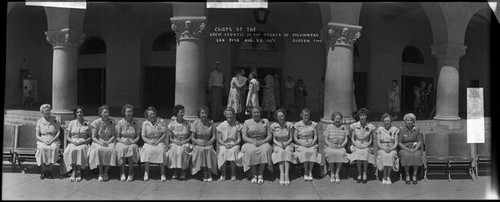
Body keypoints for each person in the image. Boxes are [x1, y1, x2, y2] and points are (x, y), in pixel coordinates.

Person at [241, 106, 273, 184]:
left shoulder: (265, 121)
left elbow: (269, 136)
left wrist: (263, 142)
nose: (256, 114)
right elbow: (244, 137)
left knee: (265, 150)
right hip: (250, 141)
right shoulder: (247, 122)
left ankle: (261, 174)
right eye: (254, 112)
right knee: (251, 151)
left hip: (263, 141)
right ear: (251, 114)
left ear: (260, 113)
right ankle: (254, 174)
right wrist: (253, 142)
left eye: (258, 112)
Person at [89, 105, 117, 182]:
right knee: (99, 150)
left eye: (108, 112)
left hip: (109, 141)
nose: (107, 114)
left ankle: (106, 172)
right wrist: (100, 143)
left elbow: (114, 135)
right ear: (100, 113)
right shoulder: (96, 122)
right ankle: (100, 172)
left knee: (111, 149)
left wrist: (108, 142)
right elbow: (94, 137)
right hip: (98, 141)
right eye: (105, 112)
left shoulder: (112, 121)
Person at [347, 108, 376, 184]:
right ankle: (359, 173)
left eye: (364, 115)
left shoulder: (370, 126)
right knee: (359, 154)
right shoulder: (354, 125)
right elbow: (352, 138)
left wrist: (366, 145)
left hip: (366, 144)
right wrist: (357, 145)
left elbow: (370, 140)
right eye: (360, 115)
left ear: (366, 116)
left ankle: (365, 173)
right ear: (359, 116)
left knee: (365, 153)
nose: (362, 117)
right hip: (357, 144)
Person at [63, 106, 91, 182]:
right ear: (75, 114)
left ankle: (79, 171)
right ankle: (74, 170)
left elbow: (90, 137)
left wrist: (83, 142)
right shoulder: (72, 123)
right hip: (73, 141)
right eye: (77, 112)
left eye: (81, 112)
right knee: (71, 150)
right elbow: (68, 137)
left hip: (83, 142)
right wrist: (72, 142)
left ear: (83, 113)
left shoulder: (87, 123)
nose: (79, 113)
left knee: (80, 150)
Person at [293, 108, 322, 181]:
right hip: (301, 143)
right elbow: (295, 138)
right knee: (305, 152)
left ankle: (310, 171)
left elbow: (315, 136)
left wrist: (312, 143)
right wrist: (302, 144)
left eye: (308, 115)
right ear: (302, 116)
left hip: (311, 142)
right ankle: (306, 171)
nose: (307, 117)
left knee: (312, 152)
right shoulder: (297, 125)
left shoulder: (313, 124)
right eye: (305, 115)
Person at [140, 107, 168, 181]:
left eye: (153, 114)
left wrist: (158, 141)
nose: (152, 116)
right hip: (149, 142)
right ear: (147, 116)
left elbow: (164, 134)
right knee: (146, 151)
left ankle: (163, 173)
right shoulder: (145, 124)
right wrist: (149, 142)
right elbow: (143, 136)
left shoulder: (161, 121)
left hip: (159, 141)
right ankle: (146, 172)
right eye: (150, 115)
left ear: (155, 114)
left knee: (161, 151)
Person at [190, 106, 218, 182]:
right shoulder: (195, 123)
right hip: (198, 143)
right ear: (199, 114)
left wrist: (209, 143)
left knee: (208, 150)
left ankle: (209, 171)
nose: (204, 114)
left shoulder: (211, 123)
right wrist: (198, 143)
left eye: (205, 113)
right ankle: (205, 172)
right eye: (202, 113)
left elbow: (214, 136)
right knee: (201, 150)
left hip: (208, 142)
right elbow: (192, 137)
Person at [115, 104, 141, 182]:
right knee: (122, 148)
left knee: (131, 148)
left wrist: (133, 142)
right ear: (124, 113)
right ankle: (122, 172)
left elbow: (138, 136)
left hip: (132, 141)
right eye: (127, 112)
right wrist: (123, 141)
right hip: (122, 141)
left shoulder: (136, 122)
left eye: (131, 111)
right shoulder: (120, 122)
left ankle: (130, 172)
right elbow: (117, 137)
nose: (129, 113)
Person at [35, 104, 61, 179]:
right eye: (46, 111)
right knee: (42, 149)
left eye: (49, 110)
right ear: (42, 112)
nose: (48, 112)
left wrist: (52, 140)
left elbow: (58, 132)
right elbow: (37, 135)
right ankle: (43, 171)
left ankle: (50, 170)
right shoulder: (39, 121)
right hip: (42, 139)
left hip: (53, 139)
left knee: (53, 148)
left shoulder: (55, 119)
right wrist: (43, 141)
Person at [216, 107, 242, 181]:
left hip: (234, 144)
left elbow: (239, 139)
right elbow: (219, 139)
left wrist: (233, 145)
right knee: (223, 152)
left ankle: (233, 173)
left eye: (231, 114)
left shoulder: (237, 125)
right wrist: (224, 144)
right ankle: (223, 173)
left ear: (234, 115)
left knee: (233, 152)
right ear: (225, 115)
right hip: (224, 144)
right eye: (228, 114)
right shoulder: (222, 125)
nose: (229, 116)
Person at [270, 108, 295, 186]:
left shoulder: (289, 125)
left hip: (288, 143)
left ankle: (286, 175)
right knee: (281, 152)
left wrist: (285, 144)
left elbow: (291, 138)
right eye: (279, 116)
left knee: (287, 151)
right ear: (276, 118)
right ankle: (282, 174)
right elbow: (274, 139)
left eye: (282, 116)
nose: (281, 118)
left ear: (285, 116)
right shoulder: (273, 126)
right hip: (277, 144)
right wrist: (279, 144)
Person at [167, 105, 192, 180]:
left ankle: (183, 171)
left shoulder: (187, 124)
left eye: (183, 112)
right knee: (174, 150)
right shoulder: (172, 124)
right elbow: (170, 138)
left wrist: (185, 141)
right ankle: (175, 170)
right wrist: (175, 142)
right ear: (177, 113)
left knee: (182, 151)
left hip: (185, 142)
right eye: (181, 112)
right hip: (175, 142)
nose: (182, 113)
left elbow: (191, 136)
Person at [323, 112, 349, 183]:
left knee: (341, 153)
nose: (338, 120)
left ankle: (337, 173)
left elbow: (346, 139)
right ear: (333, 119)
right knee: (331, 153)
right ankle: (332, 173)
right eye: (336, 118)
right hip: (330, 146)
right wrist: (331, 145)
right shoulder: (329, 127)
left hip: (340, 146)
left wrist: (342, 145)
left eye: (339, 119)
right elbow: (325, 139)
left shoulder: (343, 127)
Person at [398, 113, 423, 185]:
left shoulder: (417, 129)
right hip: (404, 148)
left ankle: (414, 175)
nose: (409, 122)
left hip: (414, 147)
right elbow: (399, 143)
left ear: (413, 121)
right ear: (405, 121)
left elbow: (419, 141)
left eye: (411, 120)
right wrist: (407, 149)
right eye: (407, 120)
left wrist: (415, 149)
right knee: (406, 155)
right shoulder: (402, 130)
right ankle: (407, 175)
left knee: (417, 155)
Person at [375, 113, 399, 185]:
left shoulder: (395, 129)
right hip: (382, 149)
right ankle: (384, 176)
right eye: (385, 121)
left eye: (388, 120)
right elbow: (378, 143)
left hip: (392, 149)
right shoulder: (379, 129)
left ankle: (388, 176)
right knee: (385, 155)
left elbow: (396, 143)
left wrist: (391, 148)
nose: (387, 122)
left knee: (390, 155)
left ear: (391, 121)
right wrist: (384, 148)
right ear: (383, 121)